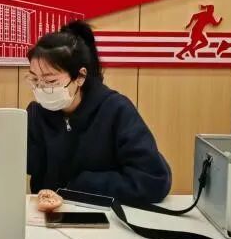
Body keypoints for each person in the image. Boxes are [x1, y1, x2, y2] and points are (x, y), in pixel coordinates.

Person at [26, 20, 171, 205]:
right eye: (34, 79)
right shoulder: (37, 113)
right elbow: (28, 165)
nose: (41, 88)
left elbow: (154, 180)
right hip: (49, 214)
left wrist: (83, 186)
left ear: (80, 76)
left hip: (103, 213)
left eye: (50, 81)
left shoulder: (116, 110)